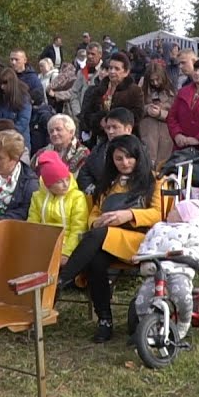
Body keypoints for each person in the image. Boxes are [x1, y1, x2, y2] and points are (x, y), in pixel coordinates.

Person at [58, 134, 164, 342]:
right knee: (97, 262)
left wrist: (129, 215)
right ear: (112, 161)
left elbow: (157, 214)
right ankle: (104, 320)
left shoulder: (154, 181)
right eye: (119, 158)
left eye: (129, 157)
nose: (125, 163)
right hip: (106, 239)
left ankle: (62, 279)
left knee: (99, 235)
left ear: (138, 157)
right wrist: (95, 221)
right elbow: (96, 211)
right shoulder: (108, 183)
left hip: (136, 241)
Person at [130, 199, 199, 341]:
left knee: (181, 295)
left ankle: (183, 322)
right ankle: (148, 330)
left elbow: (198, 250)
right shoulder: (158, 227)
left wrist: (183, 255)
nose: (170, 212)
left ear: (185, 215)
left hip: (178, 270)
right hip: (156, 270)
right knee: (142, 300)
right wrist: (141, 255)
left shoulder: (192, 230)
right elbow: (146, 243)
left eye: (175, 210)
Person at [27, 151, 88, 264]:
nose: (66, 184)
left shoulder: (77, 197)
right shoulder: (37, 197)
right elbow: (32, 225)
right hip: (42, 246)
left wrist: (66, 253)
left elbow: (78, 228)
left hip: (68, 247)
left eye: (67, 179)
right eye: (59, 182)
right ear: (49, 185)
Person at [81, 52, 144, 148]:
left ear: (126, 72)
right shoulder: (99, 89)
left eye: (117, 69)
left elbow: (137, 115)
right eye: (110, 68)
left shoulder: (134, 91)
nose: (112, 71)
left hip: (125, 142)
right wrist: (99, 121)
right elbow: (87, 114)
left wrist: (114, 123)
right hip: (99, 140)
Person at [76, 108, 134, 193]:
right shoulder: (98, 150)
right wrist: (94, 191)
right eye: (108, 128)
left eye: (115, 127)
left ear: (128, 129)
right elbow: (84, 173)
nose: (110, 131)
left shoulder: (139, 150)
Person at [138, 59, 177, 167]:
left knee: (163, 165)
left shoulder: (172, 93)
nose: (155, 83)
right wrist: (147, 109)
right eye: (152, 81)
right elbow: (135, 111)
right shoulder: (141, 92)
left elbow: (177, 115)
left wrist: (161, 113)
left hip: (166, 135)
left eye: (157, 80)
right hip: (147, 133)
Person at [0, 67, 33, 150]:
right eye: (0, 84)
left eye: (5, 83)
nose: (2, 87)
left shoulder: (23, 97)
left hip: (18, 141)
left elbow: (23, 121)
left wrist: (7, 134)